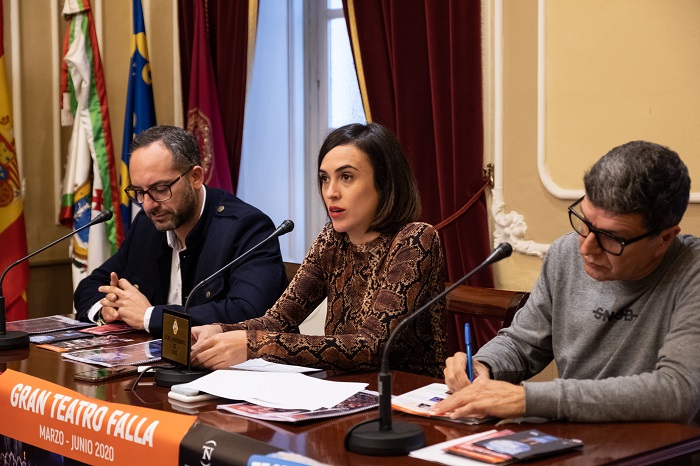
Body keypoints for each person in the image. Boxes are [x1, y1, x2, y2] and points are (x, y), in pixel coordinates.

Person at [434, 140, 700, 423]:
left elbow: (677, 391)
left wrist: (527, 400)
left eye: (611, 238)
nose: (586, 248)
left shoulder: (691, 272)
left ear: (664, 239)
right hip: (575, 439)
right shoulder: (565, 253)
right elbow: (523, 342)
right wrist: (484, 366)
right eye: (584, 222)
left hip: (659, 450)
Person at [189, 122, 446, 377]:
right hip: (342, 392)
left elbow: (372, 346)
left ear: (385, 182)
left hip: (407, 396)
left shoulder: (415, 239)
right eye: (325, 179)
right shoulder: (332, 239)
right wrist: (221, 330)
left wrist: (255, 345)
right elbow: (279, 320)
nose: (330, 192)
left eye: (346, 177)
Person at [74, 125, 287, 337]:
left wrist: (150, 316)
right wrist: (107, 309)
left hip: (229, 367)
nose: (147, 206)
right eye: (139, 192)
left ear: (195, 177)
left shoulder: (246, 228)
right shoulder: (147, 225)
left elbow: (249, 312)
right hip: (156, 363)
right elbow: (90, 286)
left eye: (160, 189)